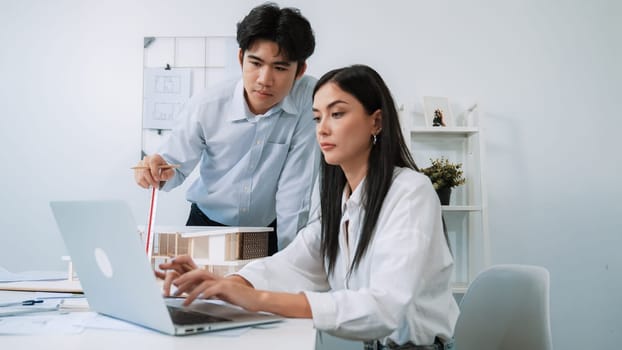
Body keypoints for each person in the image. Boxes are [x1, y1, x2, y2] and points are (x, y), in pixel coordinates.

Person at [158, 65, 459, 349]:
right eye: (317, 118)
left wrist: (256, 298)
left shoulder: (410, 192)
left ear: (376, 121)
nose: (323, 129)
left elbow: (384, 308)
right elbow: (296, 262)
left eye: (337, 114)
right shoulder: (336, 196)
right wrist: (225, 283)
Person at [133, 3, 318, 254]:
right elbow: (173, 167)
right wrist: (156, 170)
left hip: (268, 230)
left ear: (300, 71)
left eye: (280, 67)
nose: (264, 79)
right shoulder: (208, 105)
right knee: (191, 293)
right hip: (205, 226)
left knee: (265, 289)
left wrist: (289, 261)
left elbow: (295, 192)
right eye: (255, 63)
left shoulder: (310, 100)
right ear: (241, 58)